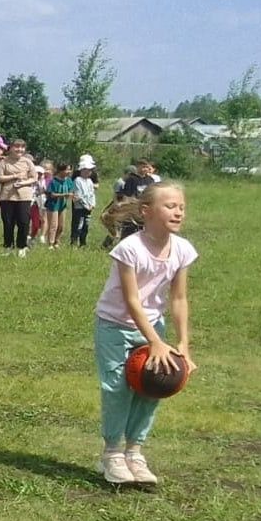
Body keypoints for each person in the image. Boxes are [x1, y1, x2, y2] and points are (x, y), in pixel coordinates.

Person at [93, 182, 196, 485]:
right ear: (146, 211)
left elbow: (178, 299)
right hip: (114, 326)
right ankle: (111, 454)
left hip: (154, 326)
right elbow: (131, 300)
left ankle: (134, 452)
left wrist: (182, 345)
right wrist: (155, 342)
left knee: (154, 386)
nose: (177, 211)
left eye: (181, 207)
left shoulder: (182, 249)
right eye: (170, 206)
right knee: (118, 388)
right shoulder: (130, 249)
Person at [0, 137, 39, 258]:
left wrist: (23, 183)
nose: (19, 149)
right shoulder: (4, 162)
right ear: (11, 148)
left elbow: (34, 177)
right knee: (8, 223)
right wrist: (14, 176)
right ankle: (8, 247)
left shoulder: (27, 162)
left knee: (24, 222)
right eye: (17, 147)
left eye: (22, 147)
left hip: (24, 196)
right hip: (7, 197)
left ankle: (22, 247)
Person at [70, 155, 97, 247]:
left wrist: (92, 204)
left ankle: (83, 243)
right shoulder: (77, 180)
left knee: (86, 226)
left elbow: (92, 193)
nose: (89, 172)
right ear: (82, 170)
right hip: (80, 207)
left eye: (90, 170)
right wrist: (86, 205)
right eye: (87, 170)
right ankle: (74, 242)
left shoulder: (89, 181)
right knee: (78, 225)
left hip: (88, 207)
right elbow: (79, 195)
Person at [45, 162, 74, 249]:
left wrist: (72, 195)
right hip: (53, 205)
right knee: (54, 225)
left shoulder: (68, 180)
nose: (69, 171)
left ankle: (57, 242)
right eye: (67, 169)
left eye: (70, 169)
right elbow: (51, 194)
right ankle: (50, 243)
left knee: (61, 226)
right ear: (60, 170)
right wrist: (64, 195)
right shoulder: (53, 181)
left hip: (63, 205)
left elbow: (70, 190)